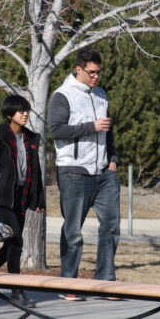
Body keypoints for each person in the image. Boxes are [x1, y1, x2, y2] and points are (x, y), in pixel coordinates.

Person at [48, 47, 121, 301]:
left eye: (99, 72)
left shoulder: (101, 95)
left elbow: (108, 131)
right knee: (73, 231)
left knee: (111, 226)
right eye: (91, 72)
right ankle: (68, 283)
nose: (96, 77)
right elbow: (56, 130)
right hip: (74, 172)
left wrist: (112, 160)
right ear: (78, 69)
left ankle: (106, 281)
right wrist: (91, 127)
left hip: (104, 173)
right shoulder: (62, 95)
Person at [0, 95, 45, 308]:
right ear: (9, 114)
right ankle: (17, 290)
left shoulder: (31, 138)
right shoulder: (0, 137)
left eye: (26, 110)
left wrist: (38, 199)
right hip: (2, 199)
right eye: (20, 110)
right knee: (16, 242)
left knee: (11, 246)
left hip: (21, 198)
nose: (25, 114)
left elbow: (36, 171)